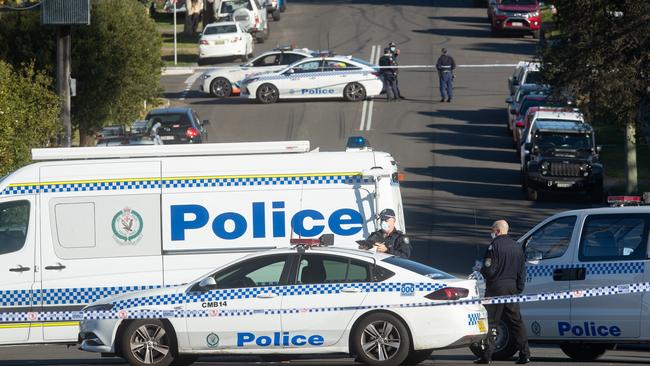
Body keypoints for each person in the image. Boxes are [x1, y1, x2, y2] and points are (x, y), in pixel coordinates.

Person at [475, 220, 530, 364]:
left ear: (497, 231)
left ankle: (487, 356)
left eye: (492, 230)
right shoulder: (517, 247)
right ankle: (525, 354)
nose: (491, 233)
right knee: (516, 321)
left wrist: (481, 269)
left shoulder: (493, 246)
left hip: (495, 289)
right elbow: (521, 272)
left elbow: (490, 270)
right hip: (511, 288)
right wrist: (519, 288)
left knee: (492, 322)